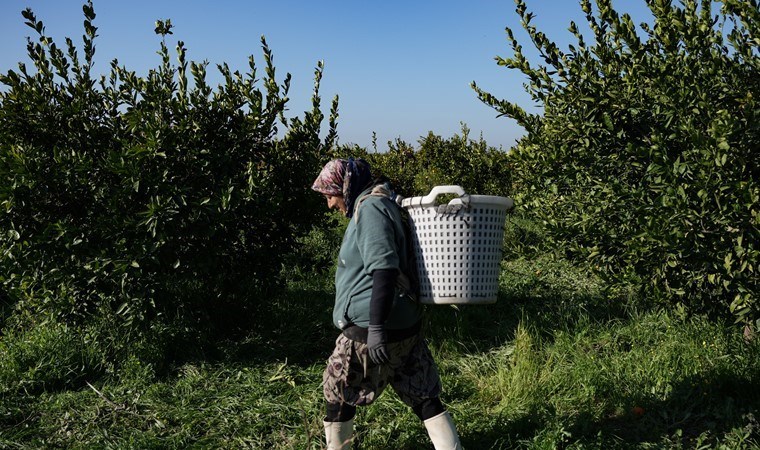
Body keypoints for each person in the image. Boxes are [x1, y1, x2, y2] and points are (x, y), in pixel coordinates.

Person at [312, 158, 462, 450]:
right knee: (422, 393)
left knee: (339, 394)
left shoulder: (371, 209)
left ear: (346, 186)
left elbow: (384, 269)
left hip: (371, 329)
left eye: (331, 195)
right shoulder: (379, 202)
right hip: (404, 324)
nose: (330, 204)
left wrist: (377, 328)